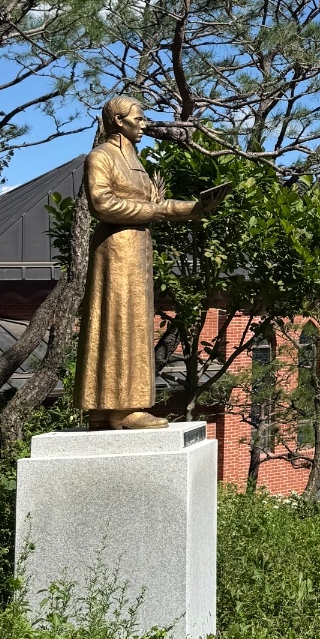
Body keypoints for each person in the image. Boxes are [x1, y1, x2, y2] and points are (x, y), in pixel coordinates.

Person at [74, 96, 228, 430]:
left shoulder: (134, 159)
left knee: (131, 322)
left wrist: (196, 208)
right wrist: (153, 211)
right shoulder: (101, 156)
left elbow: (157, 204)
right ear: (118, 121)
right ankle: (120, 408)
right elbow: (102, 204)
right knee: (119, 322)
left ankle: (105, 409)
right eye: (139, 118)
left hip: (136, 248)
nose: (144, 124)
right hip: (116, 250)